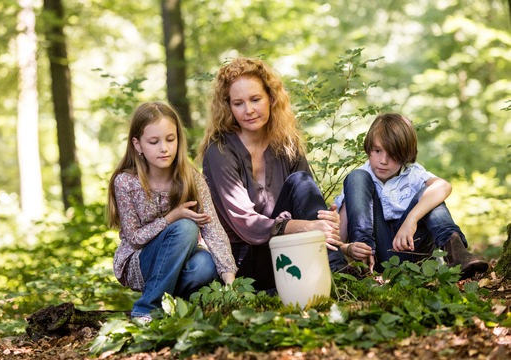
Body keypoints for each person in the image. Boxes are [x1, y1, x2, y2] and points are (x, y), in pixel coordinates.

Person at [198, 56, 350, 292]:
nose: (248, 110)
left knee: (301, 182)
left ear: (270, 97)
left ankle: (339, 275)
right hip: (243, 265)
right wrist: (307, 227)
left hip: (289, 251)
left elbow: (306, 201)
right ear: (228, 106)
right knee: (307, 225)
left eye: (255, 99)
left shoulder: (286, 143)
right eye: (238, 103)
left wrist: (326, 220)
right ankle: (337, 277)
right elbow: (247, 224)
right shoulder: (219, 151)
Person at [107, 101, 237, 322]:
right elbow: (135, 238)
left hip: (180, 263)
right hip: (140, 262)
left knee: (205, 264)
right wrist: (172, 217)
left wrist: (231, 282)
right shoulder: (126, 182)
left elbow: (213, 230)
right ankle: (146, 309)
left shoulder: (192, 179)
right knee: (186, 226)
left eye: (170, 139)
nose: (164, 148)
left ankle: (175, 309)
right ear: (137, 145)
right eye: (154, 142)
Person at [334, 113, 489, 279]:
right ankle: (362, 261)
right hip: (379, 257)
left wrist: (411, 220)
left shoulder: (413, 174)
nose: (383, 160)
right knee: (356, 177)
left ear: (405, 154)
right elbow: (338, 241)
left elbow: (444, 186)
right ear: (369, 149)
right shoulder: (359, 180)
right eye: (377, 151)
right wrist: (348, 249)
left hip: (415, 252)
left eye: (392, 154)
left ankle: (457, 253)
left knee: (428, 193)